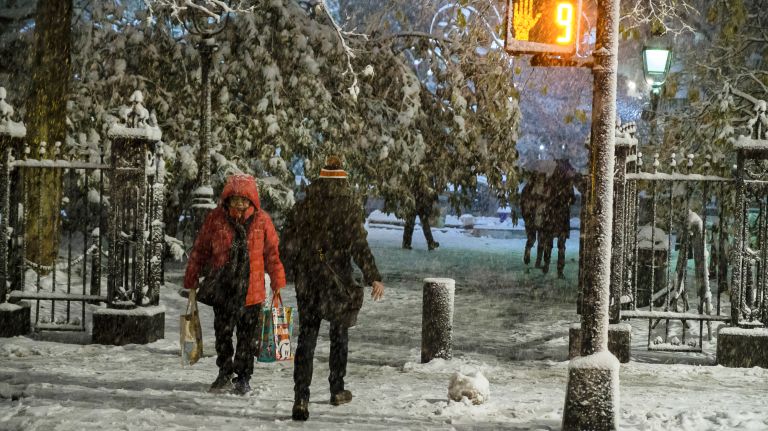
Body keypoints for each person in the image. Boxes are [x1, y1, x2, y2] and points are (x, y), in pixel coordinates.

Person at [281, 155, 385, 421]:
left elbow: (287, 244)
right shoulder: (348, 208)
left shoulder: (304, 207)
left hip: (310, 281)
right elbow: (359, 246)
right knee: (339, 335)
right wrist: (373, 276)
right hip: (337, 280)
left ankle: (301, 397)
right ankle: (336, 388)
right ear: (343, 181)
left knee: (307, 338)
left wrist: (289, 272)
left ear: (320, 180)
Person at [184, 174, 286, 395]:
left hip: (252, 291)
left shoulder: (262, 221)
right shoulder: (216, 219)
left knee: (246, 338)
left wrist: (278, 279)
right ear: (227, 199)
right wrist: (192, 277)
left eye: (244, 198)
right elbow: (200, 250)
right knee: (223, 334)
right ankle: (224, 371)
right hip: (224, 289)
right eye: (235, 198)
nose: (239, 203)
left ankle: (243, 376)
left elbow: (272, 254)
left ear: (252, 200)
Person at [540, 160, 576, 278]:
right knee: (561, 246)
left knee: (549, 244)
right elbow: (573, 199)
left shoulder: (550, 181)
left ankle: (546, 265)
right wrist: (566, 201)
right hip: (562, 218)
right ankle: (559, 270)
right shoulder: (567, 183)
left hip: (551, 217)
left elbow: (544, 197)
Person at [402, 172, 440, 251]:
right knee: (410, 223)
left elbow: (431, 188)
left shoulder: (427, 174)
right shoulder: (417, 172)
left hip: (422, 203)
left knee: (424, 223)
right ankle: (407, 243)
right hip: (415, 201)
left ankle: (430, 243)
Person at [520, 172, 546, 268]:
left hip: (539, 217)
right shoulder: (529, 189)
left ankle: (537, 260)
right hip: (533, 217)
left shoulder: (541, 188)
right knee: (534, 239)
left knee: (539, 239)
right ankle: (531, 256)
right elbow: (524, 204)